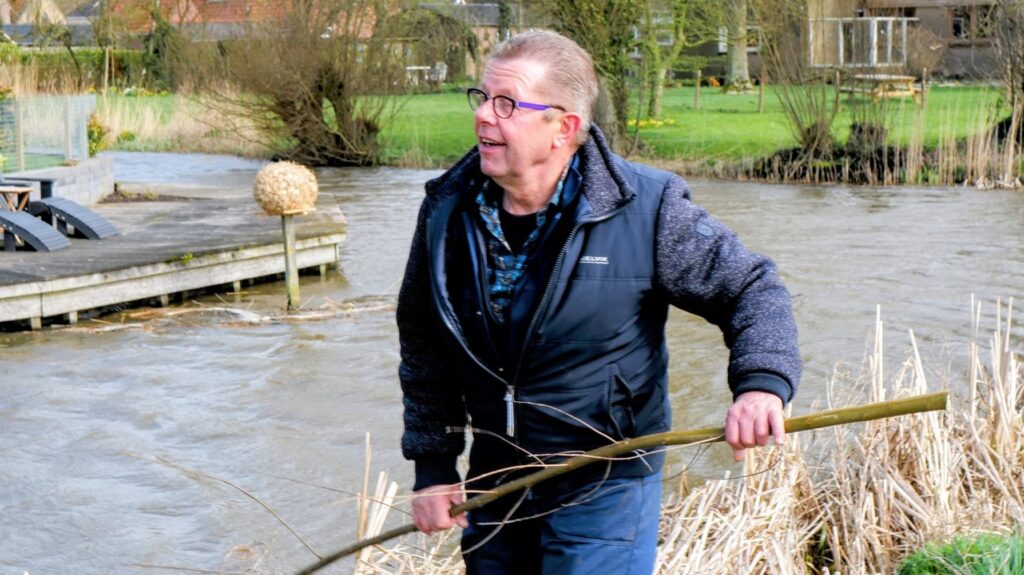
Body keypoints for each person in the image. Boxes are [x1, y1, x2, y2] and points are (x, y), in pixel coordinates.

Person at [396, 30, 801, 575]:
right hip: (495, 482)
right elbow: (423, 339)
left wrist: (760, 385)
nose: (484, 116)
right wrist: (433, 465)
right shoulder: (446, 211)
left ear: (563, 128)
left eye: (507, 103)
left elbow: (752, 289)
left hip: (606, 480)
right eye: (483, 97)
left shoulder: (647, 208)